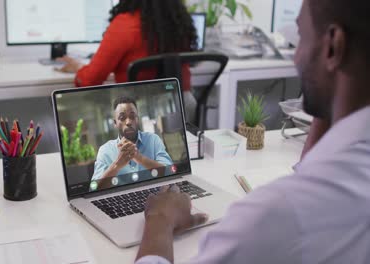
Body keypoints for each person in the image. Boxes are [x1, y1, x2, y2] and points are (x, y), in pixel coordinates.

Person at [135, 0, 370, 263]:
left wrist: (159, 219)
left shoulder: (275, 215)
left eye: (301, 37)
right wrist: (331, 106)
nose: (295, 56)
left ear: (333, 46)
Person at [57, 0, 198, 122]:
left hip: (141, 112)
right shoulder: (178, 23)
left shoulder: (125, 24)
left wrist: (78, 68)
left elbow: (90, 80)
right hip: (184, 106)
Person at [92, 96, 172, 184]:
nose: (128, 122)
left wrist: (139, 157)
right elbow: (94, 188)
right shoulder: (105, 150)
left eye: (132, 116)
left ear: (137, 119)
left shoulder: (153, 140)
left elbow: (170, 172)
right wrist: (117, 165)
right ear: (115, 123)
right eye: (122, 118)